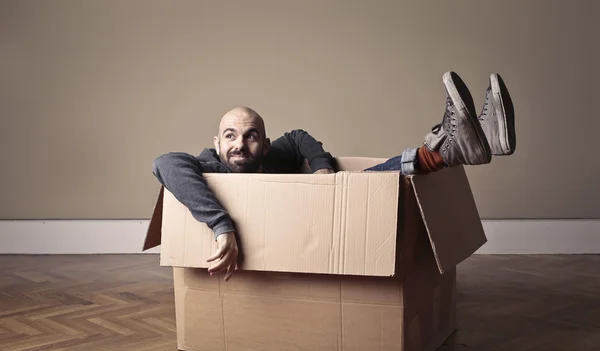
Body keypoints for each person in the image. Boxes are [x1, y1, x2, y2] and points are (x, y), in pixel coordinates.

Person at [152, 71, 516, 281]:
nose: (240, 144)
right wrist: (222, 227)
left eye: (250, 136)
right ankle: (446, 149)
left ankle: (464, 145)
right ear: (216, 143)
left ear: (263, 144)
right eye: (229, 136)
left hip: (313, 225)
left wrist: (322, 167)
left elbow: (296, 137)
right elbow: (165, 163)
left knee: (358, 185)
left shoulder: (271, 156)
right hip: (302, 244)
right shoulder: (211, 167)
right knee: (362, 186)